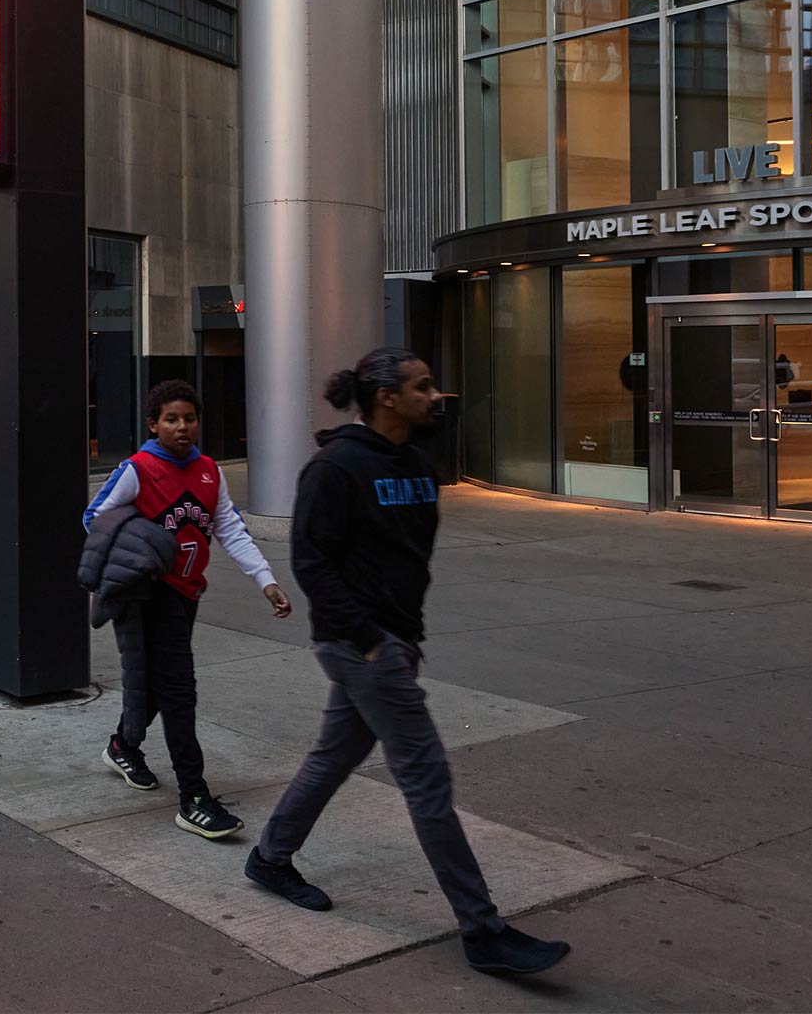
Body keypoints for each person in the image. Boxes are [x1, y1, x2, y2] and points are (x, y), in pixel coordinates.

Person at [244, 349, 571, 980]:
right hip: (362, 648)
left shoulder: (419, 465)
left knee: (333, 756)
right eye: (422, 386)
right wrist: (371, 641)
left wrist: (403, 636)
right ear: (386, 396)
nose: (435, 395)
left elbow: (409, 557)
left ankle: (269, 857)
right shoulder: (334, 469)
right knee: (427, 781)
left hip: (394, 642)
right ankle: (483, 930)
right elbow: (312, 565)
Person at [84, 378, 292, 840]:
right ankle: (193, 797)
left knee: (155, 686)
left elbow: (230, 529)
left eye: (190, 418)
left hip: (186, 595)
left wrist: (267, 580)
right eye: (171, 419)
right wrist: (139, 546)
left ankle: (123, 745)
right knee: (179, 691)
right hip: (147, 596)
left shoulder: (207, 472)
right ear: (153, 423)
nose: (182, 427)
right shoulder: (138, 469)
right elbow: (93, 516)